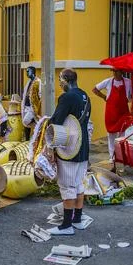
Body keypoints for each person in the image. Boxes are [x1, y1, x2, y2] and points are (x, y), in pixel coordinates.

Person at [46, 69, 91, 236]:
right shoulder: (85, 96)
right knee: (79, 183)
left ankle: (66, 225)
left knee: (67, 186)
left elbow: (56, 120)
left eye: (60, 79)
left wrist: (49, 147)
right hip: (83, 145)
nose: (59, 83)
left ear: (65, 80)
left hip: (69, 147)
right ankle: (77, 220)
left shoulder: (67, 97)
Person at [93, 69, 133, 163]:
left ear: (122, 72)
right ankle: (112, 156)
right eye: (114, 71)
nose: (115, 73)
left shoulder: (128, 82)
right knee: (111, 135)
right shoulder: (108, 82)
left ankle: (122, 155)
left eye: (117, 71)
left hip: (123, 112)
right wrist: (104, 97)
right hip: (111, 113)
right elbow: (95, 89)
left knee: (123, 135)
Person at [21, 66, 42, 140]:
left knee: (25, 121)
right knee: (25, 124)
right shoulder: (29, 82)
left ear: (33, 72)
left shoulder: (38, 82)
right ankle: (27, 139)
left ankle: (36, 127)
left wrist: (39, 107)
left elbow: (40, 95)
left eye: (28, 71)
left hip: (33, 107)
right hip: (26, 106)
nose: (26, 73)